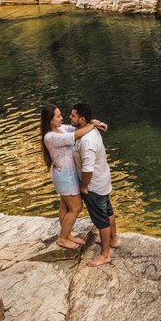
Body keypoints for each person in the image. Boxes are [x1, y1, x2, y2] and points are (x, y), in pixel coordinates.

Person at [39, 104, 106, 249]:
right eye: (58, 116)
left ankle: (67, 233)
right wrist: (93, 125)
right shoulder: (51, 137)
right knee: (76, 208)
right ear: (50, 120)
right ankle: (62, 238)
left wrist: (95, 123)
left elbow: (78, 128)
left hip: (66, 175)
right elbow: (76, 135)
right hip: (65, 177)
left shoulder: (61, 128)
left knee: (65, 206)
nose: (62, 118)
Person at [70, 102, 119, 266]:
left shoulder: (86, 142)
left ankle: (105, 255)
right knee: (108, 209)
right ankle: (113, 240)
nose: (70, 117)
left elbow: (88, 170)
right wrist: (94, 122)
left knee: (101, 220)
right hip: (103, 180)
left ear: (82, 119)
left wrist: (84, 187)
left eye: (73, 115)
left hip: (94, 186)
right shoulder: (91, 129)